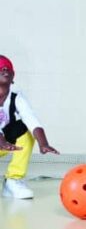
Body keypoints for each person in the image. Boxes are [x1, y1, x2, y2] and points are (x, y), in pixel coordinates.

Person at [0, 55, 59, 199]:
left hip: (4, 144)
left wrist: (43, 143)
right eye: (1, 68)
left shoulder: (17, 98)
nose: (5, 69)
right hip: (2, 142)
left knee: (24, 130)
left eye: (8, 68)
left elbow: (31, 120)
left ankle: (13, 180)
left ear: (13, 76)